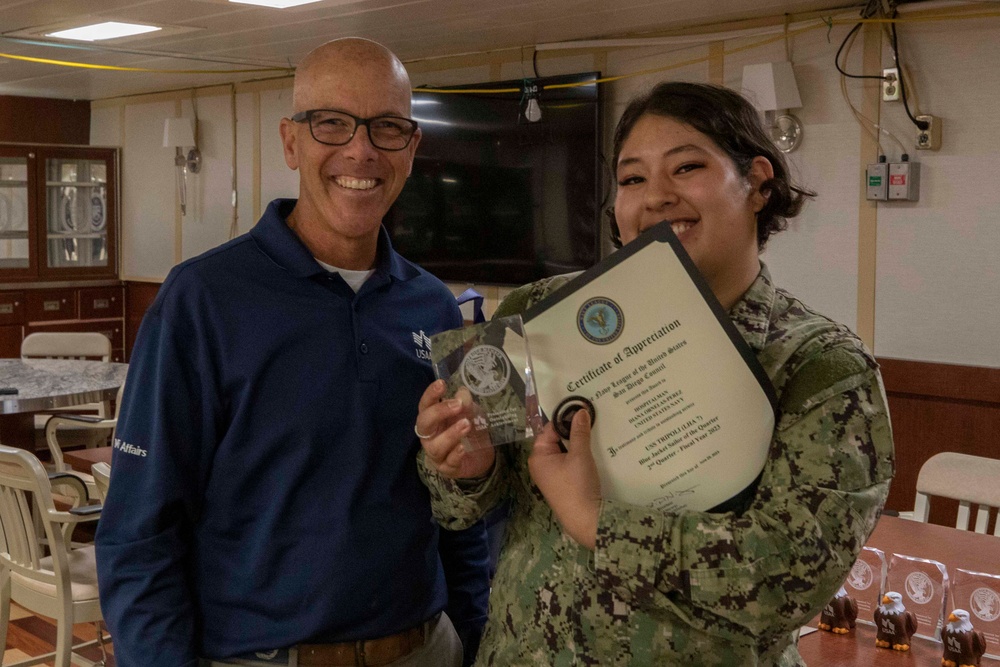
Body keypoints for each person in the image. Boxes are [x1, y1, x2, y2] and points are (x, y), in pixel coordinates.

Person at [415, 81, 895, 665]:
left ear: (759, 183)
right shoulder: (537, 314)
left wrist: (595, 522)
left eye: (687, 167)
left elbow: (787, 580)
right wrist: (466, 467)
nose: (656, 197)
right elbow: (459, 507)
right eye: (632, 179)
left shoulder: (820, 366)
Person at [95, 38, 489, 667]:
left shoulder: (434, 308)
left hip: (426, 649)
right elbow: (139, 534)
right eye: (332, 122)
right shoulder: (202, 300)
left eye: (387, 127)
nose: (360, 150)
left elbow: (463, 508)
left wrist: (480, 642)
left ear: (411, 148)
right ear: (291, 141)